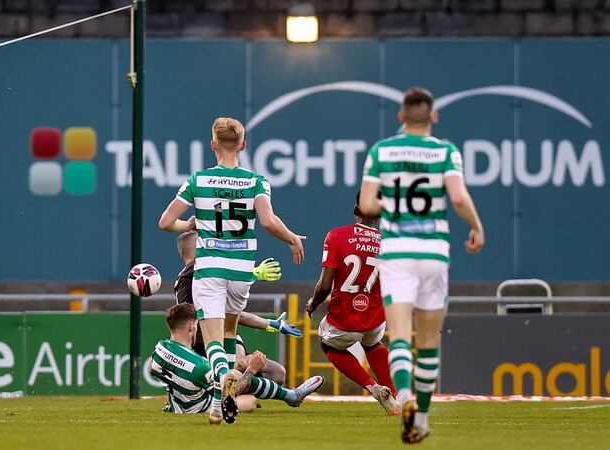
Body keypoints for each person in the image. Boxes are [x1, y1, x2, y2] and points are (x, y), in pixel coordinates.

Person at [159, 116, 306, 425]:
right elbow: (267, 221)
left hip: (210, 268)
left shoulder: (198, 180)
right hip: (242, 272)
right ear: (243, 144)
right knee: (229, 333)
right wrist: (291, 238)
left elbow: (165, 222)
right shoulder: (256, 181)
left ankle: (221, 384)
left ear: (213, 145)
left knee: (212, 340)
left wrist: (186, 224)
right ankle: (218, 402)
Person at [359, 87, 485, 444]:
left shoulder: (381, 151)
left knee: (398, 335)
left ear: (400, 116)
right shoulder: (446, 151)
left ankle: (403, 397)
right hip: (433, 253)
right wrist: (476, 227)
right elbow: (458, 196)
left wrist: (397, 207)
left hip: (397, 252)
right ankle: (423, 417)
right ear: (433, 116)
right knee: (428, 341)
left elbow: (368, 202)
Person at [305, 192, 399, 416]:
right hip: (374, 318)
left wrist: (313, 302)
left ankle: (373, 388)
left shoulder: (336, 236)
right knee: (373, 344)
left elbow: (325, 284)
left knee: (328, 344)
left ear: (356, 209)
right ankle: (395, 396)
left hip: (343, 319)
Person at [149, 303, 324, 415]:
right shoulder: (199, 366)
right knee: (249, 399)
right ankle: (292, 396)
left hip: (180, 405)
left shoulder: (159, 349)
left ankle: (291, 395)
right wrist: (251, 370)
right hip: (202, 407)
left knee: (233, 373)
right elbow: (228, 392)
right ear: (190, 327)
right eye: (197, 326)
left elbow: (155, 370)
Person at [174, 229, 299, 385]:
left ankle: (233, 392)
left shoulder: (198, 278)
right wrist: (253, 273)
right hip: (206, 340)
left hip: (219, 332)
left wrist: (272, 324)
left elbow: (234, 313)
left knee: (277, 373)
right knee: (240, 363)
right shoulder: (196, 270)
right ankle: (227, 395)